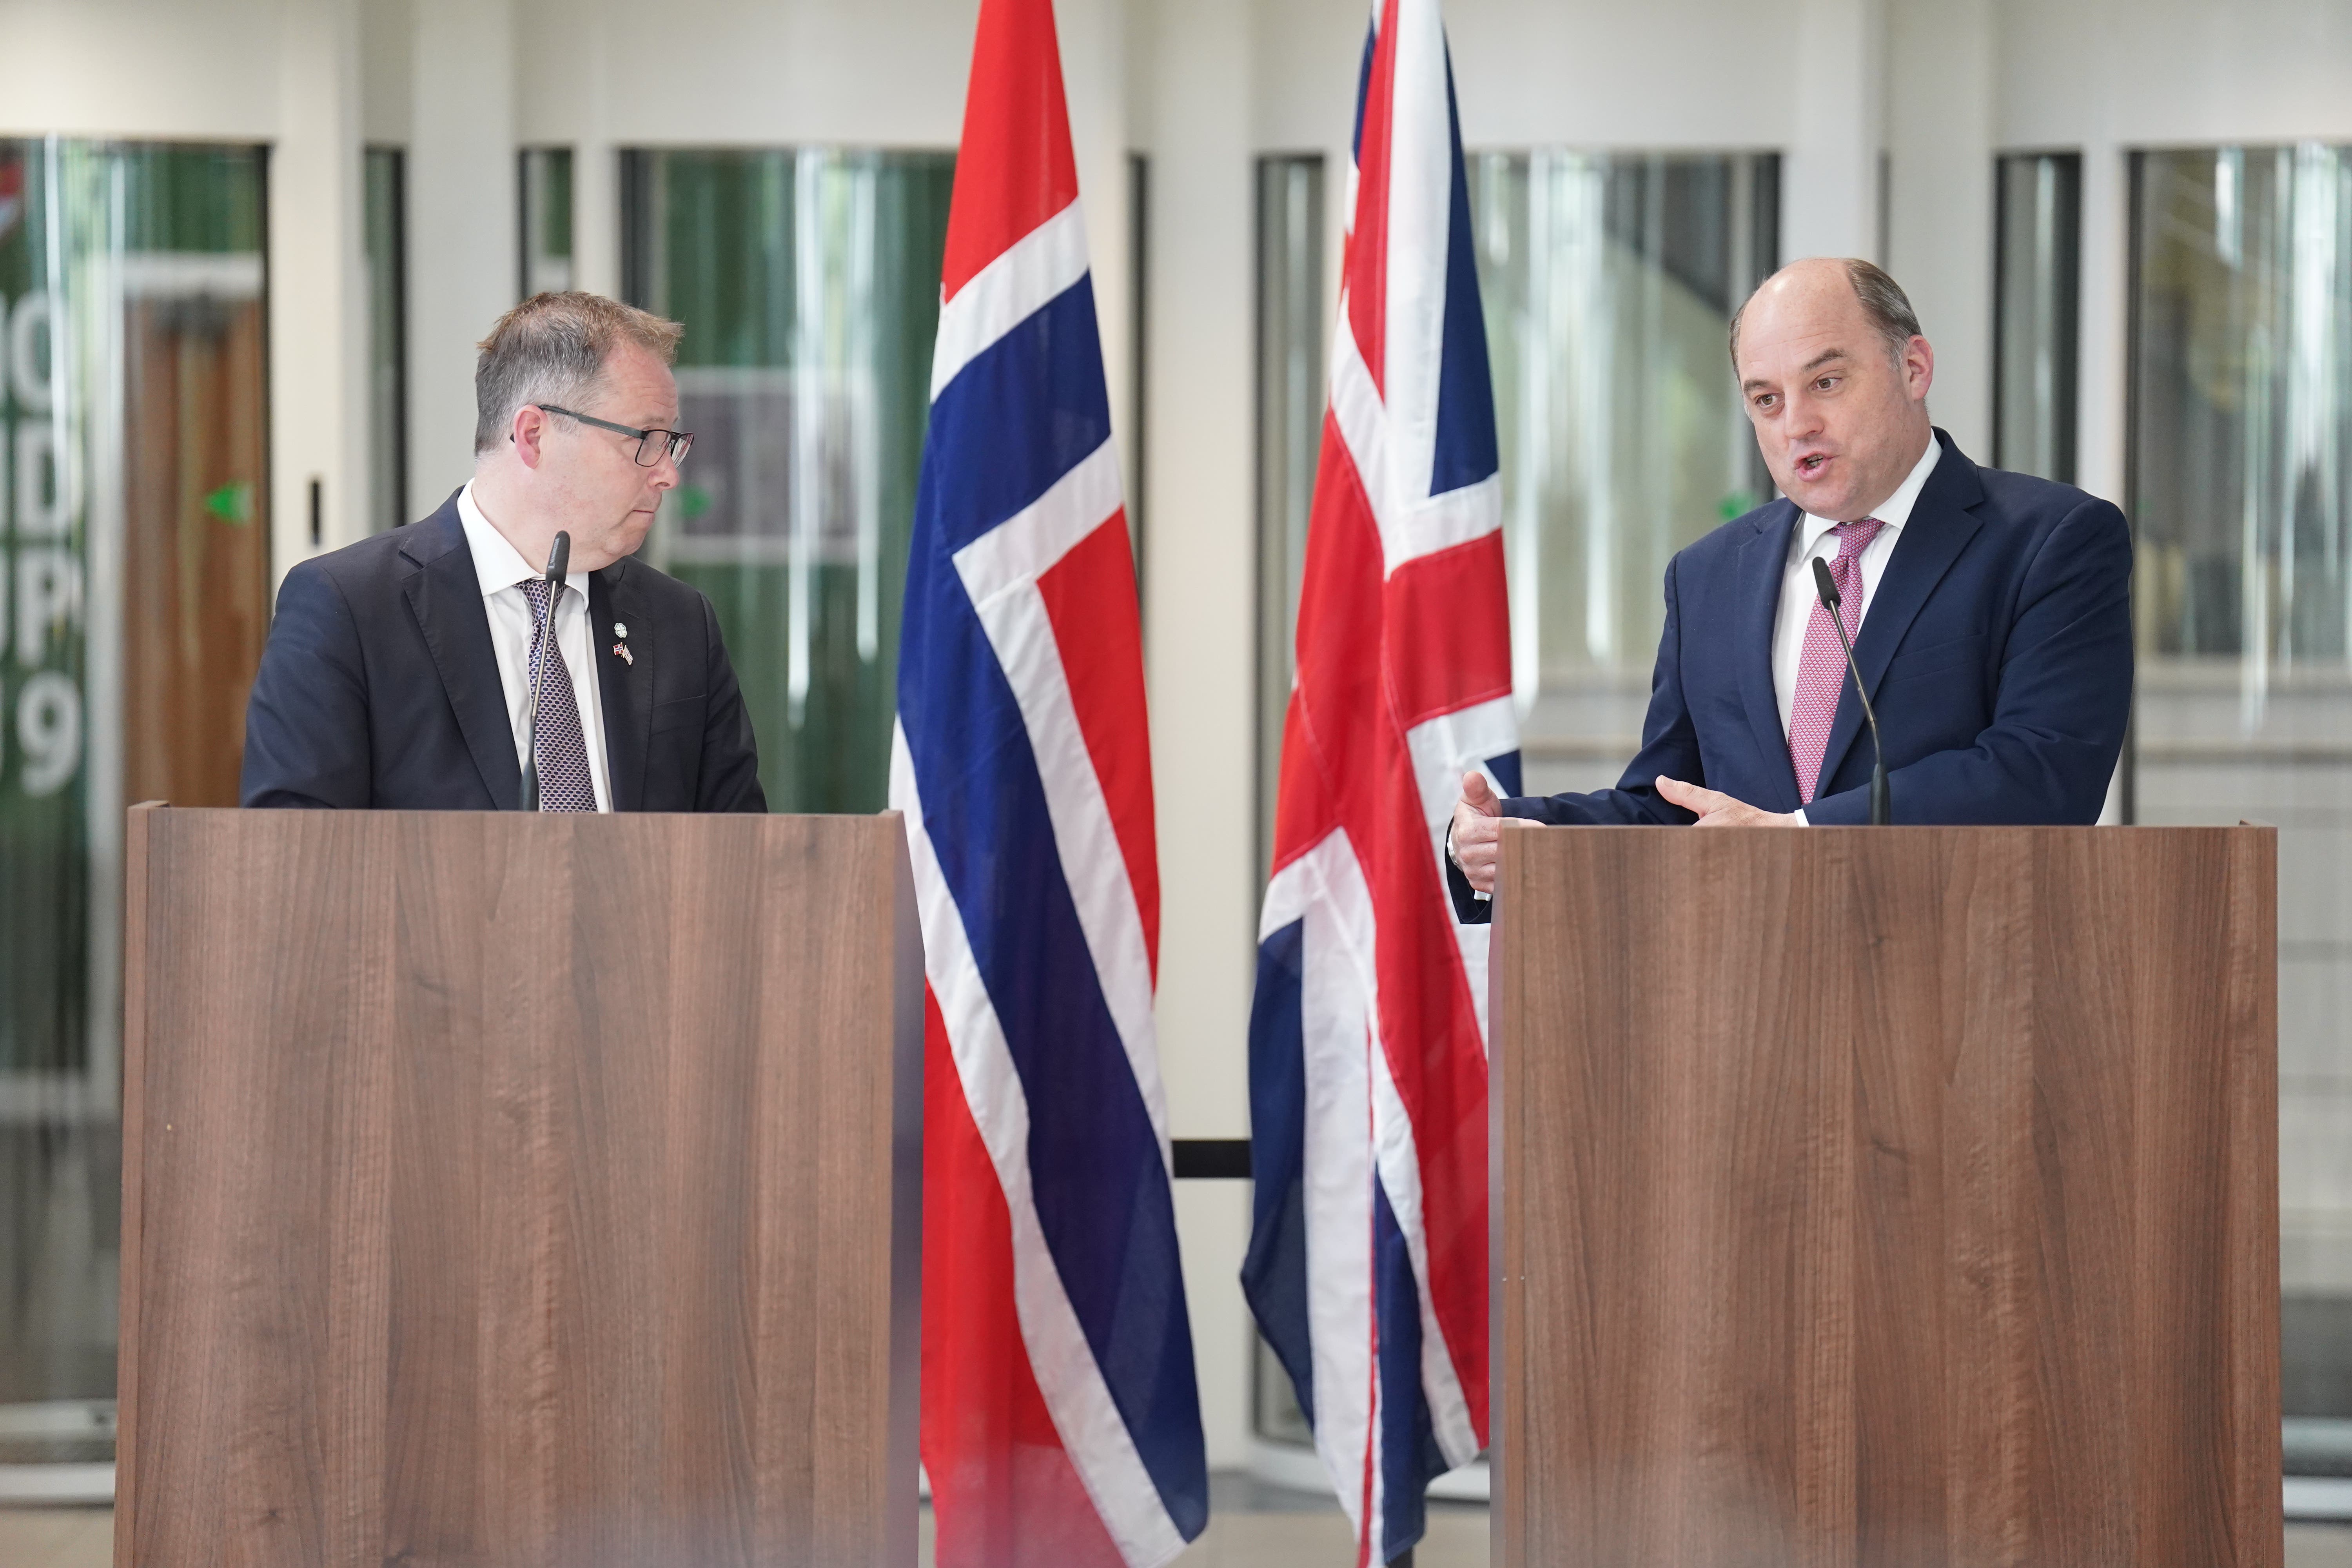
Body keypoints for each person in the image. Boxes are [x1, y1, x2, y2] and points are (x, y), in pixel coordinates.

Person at [1446, 257, 2131, 921]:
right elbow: (1675, 805)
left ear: (1913, 368)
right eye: (1766, 399)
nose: (1795, 423)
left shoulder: (2050, 539)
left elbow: (2044, 772)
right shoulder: (1709, 575)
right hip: (1747, 991)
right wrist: (1530, 839)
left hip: (1958, 975)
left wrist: (1802, 835)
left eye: (1826, 383)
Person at [241, 292, 766, 813]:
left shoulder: (678, 624)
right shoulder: (348, 610)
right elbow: (295, 859)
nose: (669, 473)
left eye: (673, 443)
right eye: (647, 438)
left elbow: (742, 855)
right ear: (533, 435)